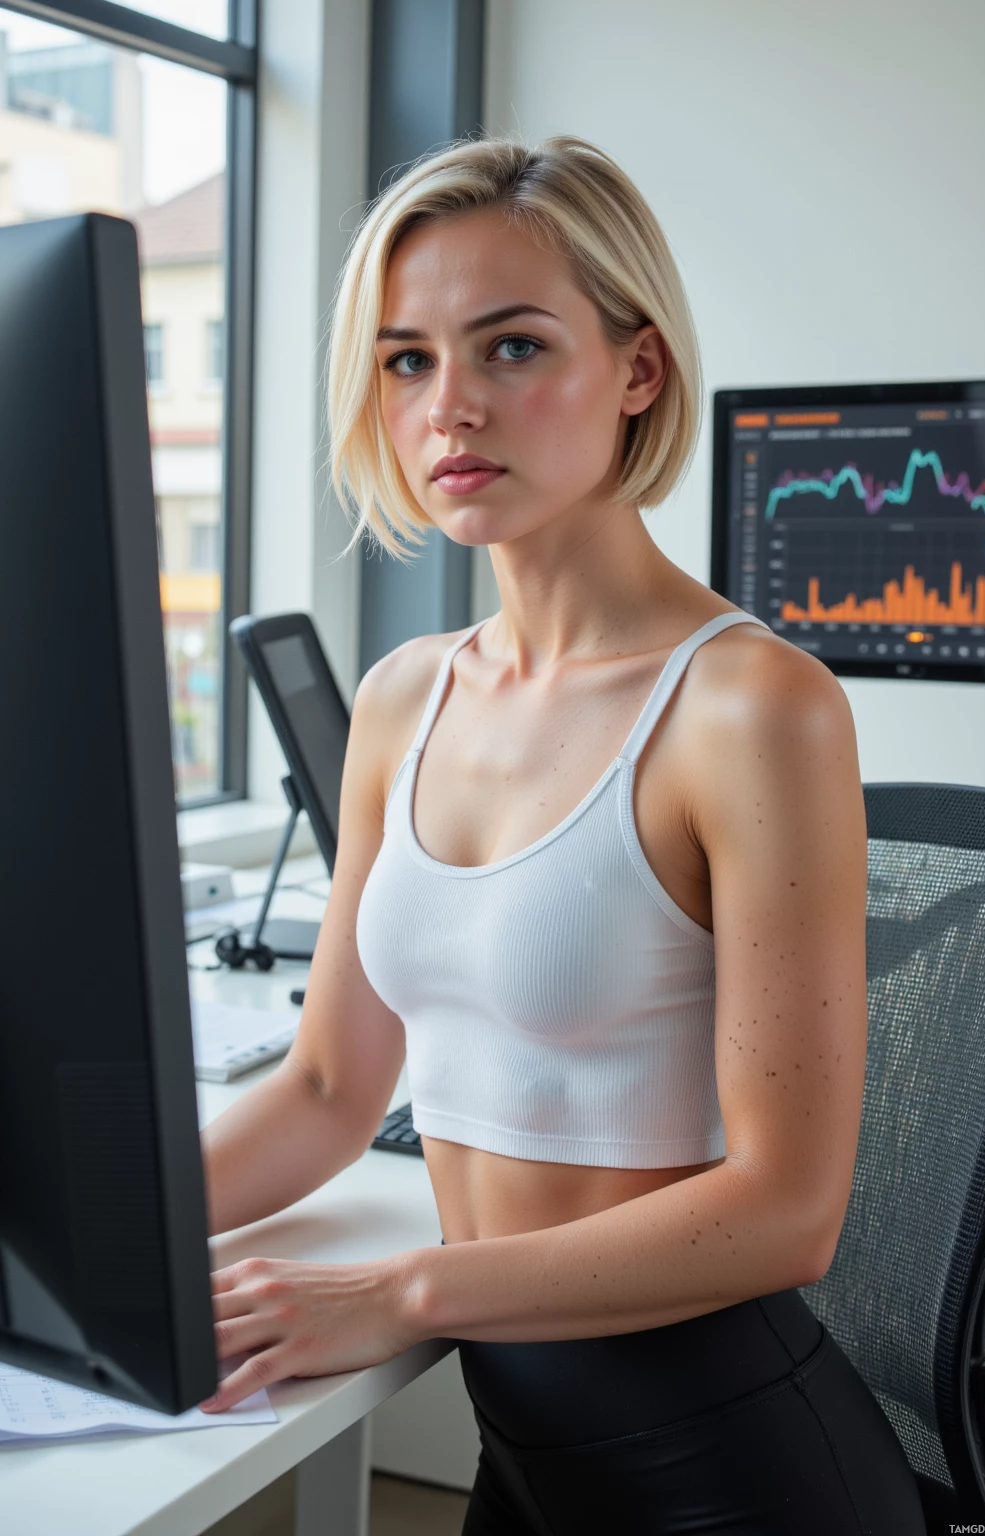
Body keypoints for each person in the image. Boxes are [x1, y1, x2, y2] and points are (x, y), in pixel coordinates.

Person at [198, 135, 926, 1534]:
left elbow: (789, 1208)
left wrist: (401, 1292)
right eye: (406, 359)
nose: (449, 407)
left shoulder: (752, 706)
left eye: (513, 347)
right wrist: (91, 1248)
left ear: (637, 371)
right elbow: (330, 1090)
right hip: (527, 1456)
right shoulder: (405, 698)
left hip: (725, 1461)